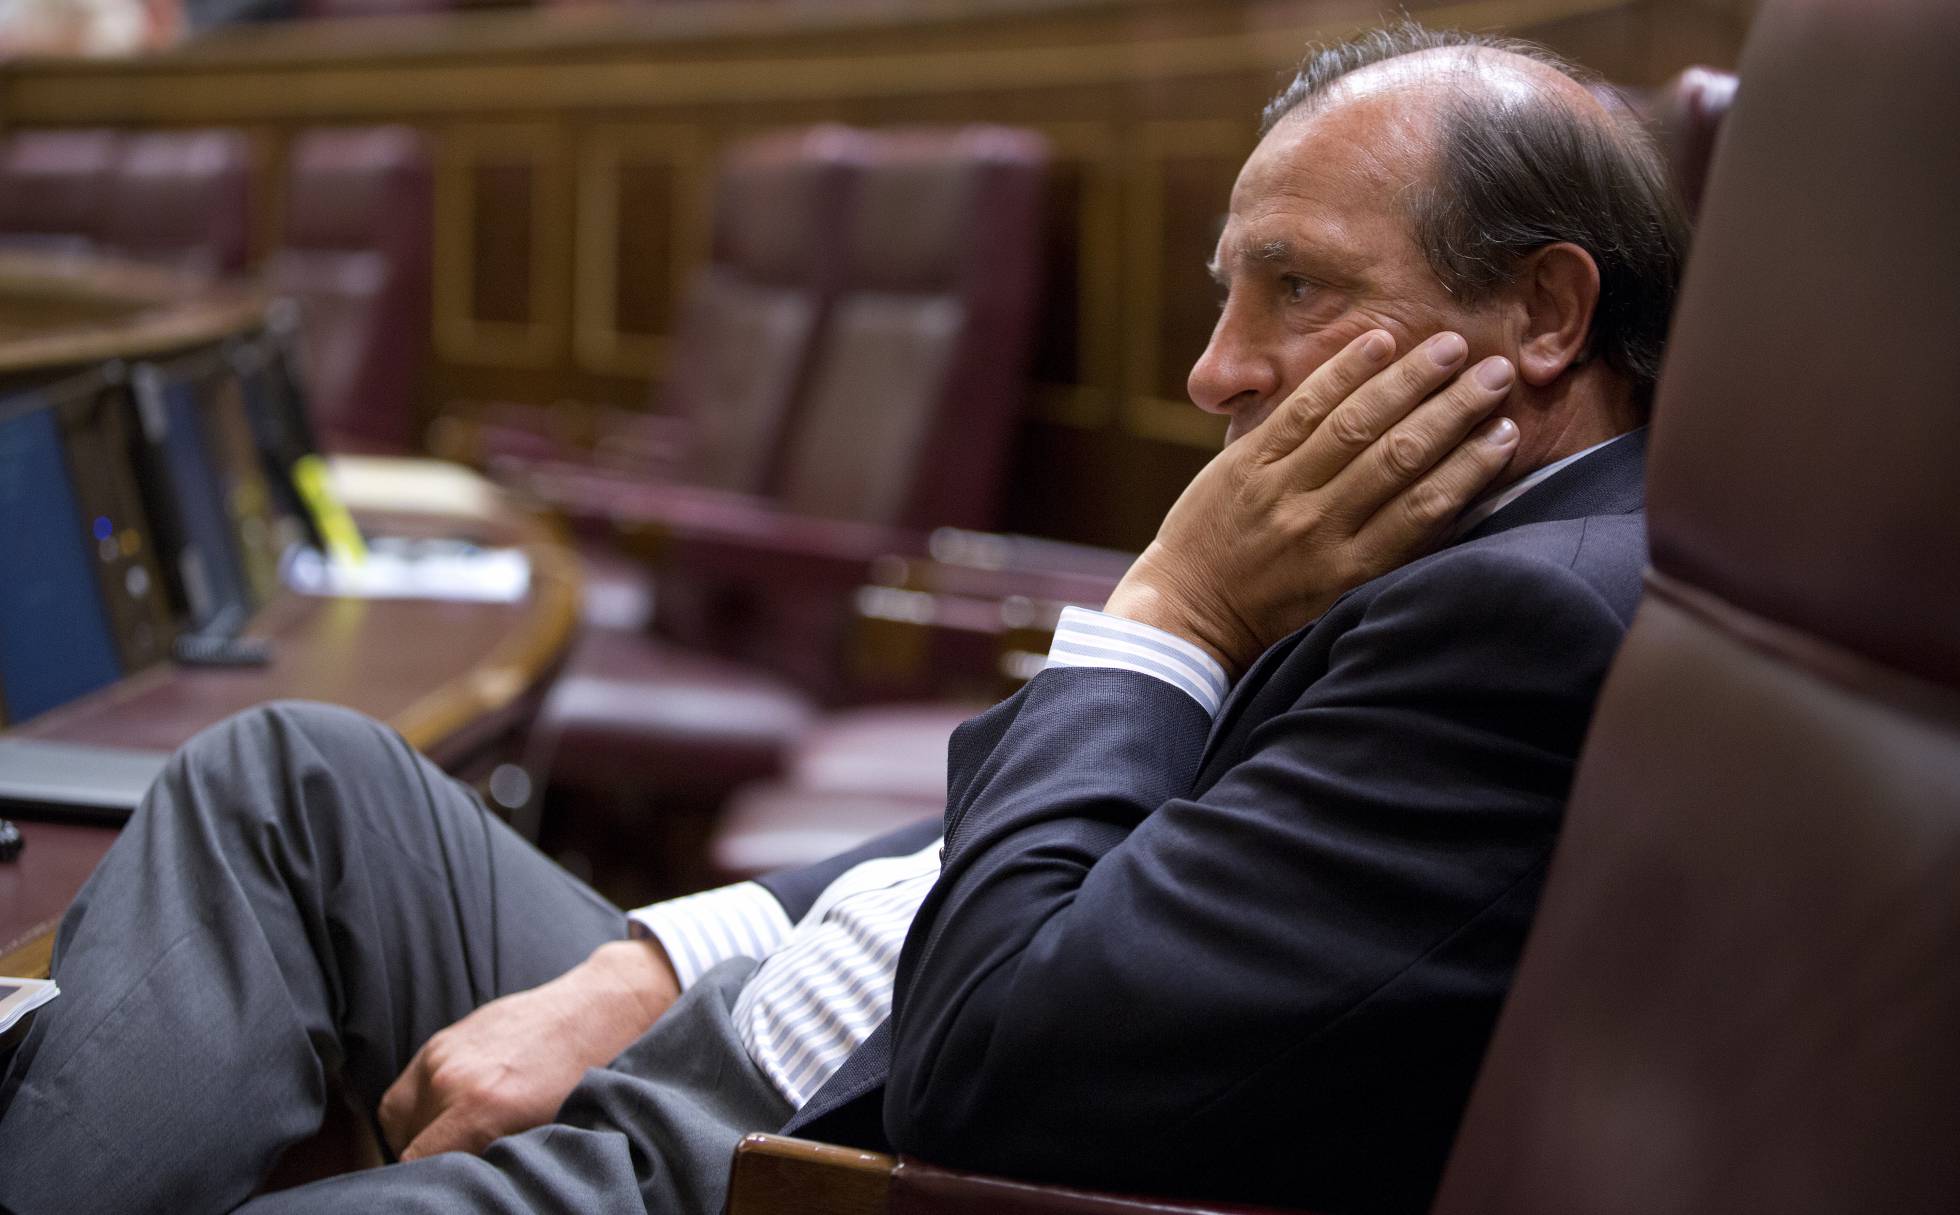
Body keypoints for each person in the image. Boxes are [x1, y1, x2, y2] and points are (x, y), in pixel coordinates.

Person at [0, 22, 1686, 1215]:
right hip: (769, 1010)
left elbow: (1006, 1063)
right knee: (293, 777)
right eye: (1225, 291)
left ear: (1544, 312)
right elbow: (1038, 839)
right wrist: (657, 955)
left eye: (1296, 285)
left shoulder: (1522, 630)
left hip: (783, 1149)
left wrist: (1169, 610)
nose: (1213, 370)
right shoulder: (1437, 553)